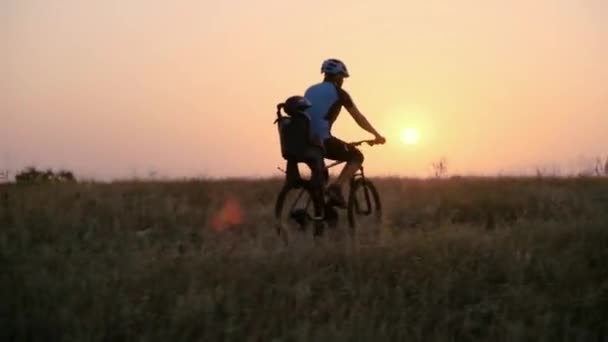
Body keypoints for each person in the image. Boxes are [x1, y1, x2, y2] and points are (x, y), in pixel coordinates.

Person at [304, 58, 386, 207]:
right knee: (356, 155)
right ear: (337, 76)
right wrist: (377, 135)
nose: (343, 80)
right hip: (323, 141)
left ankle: (320, 214)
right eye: (342, 77)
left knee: (321, 176)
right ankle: (336, 188)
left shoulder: (310, 90)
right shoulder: (339, 93)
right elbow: (359, 118)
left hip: (305, 141)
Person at [275, 95, 326, 218]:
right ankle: (316, 184)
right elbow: (309, 138)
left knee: (298, 159)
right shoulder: (304, 118)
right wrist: (320, 144)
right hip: (306, 152)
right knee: (319, 157)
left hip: (290, 154)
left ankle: (295, 181)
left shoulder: (283, 121)